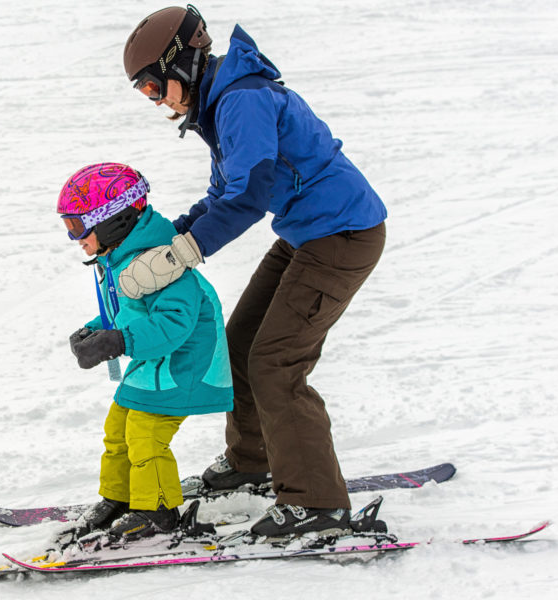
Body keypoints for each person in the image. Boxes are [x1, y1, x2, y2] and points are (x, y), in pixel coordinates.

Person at [119, 6, 388, 540]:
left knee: (276, 363)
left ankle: (317, 503)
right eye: (146, 94)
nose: (156, 101)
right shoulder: (222, 101)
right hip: (307, 233)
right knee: (241, 342)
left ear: (183, 64)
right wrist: (171, 236)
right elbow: (225, 192)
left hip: (342, 235)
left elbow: (251, 193)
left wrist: (183, 254)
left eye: (154, 88)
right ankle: (253, 463)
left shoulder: (240, 100)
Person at [56, 162, 233, 542]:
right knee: (118, 427)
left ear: (114, 220)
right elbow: (132, 313)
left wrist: (119, 341)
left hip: (187, 366)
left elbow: (174, 323)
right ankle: (122, 498)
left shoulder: (160, 262)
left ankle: (156, 511)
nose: (75, 238)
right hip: (154, 363)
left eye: (77, 226)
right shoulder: (119, 256)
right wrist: (98, 330)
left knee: (145, 434)